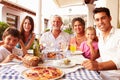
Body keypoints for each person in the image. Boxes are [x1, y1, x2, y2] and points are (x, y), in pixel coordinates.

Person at [82, 7, 120, 80]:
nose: (100, 22)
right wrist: (92, 62)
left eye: (103, 18)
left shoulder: (119, 34)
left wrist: (97, 65)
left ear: (110, 18)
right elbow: (104, 56)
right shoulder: (100, 36)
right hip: (101, 75)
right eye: (97, 20)